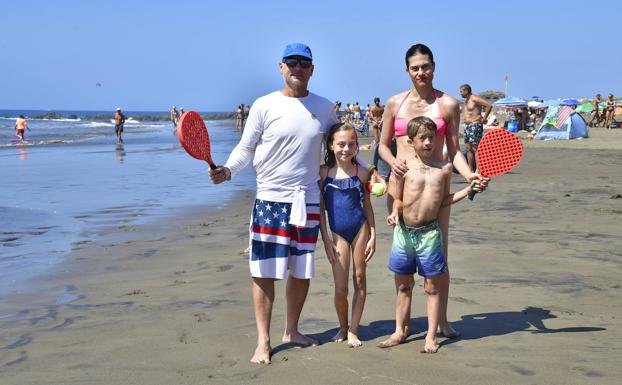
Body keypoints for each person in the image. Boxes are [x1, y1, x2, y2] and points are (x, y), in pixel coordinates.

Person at [207, 43, 381, 364]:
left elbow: (341, 149)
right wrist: (229, 170)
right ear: (281, 67)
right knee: (264, 272)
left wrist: (370, 174)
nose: (298, 68)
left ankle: (293, 329)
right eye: (292, 63)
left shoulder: (325, 108)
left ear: (312, 69)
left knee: (301, 271)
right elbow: (246, 147)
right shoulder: (264, 105)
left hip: (309, 201)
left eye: (304, 63)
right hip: (271, 199)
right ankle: (263, 341)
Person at [378, 43, 488, 341]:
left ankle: (441, 321)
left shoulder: (448, 105)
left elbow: (453, 151)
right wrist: (392, 164)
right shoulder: (394, 103)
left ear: (434, 67)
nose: (421, 72)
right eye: (415, 67)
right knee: (404, 258)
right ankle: (402, 327)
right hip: (401, 185)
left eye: (425, 66)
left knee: (439, 255)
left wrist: (470, 175)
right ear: (407, 71)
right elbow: (383, 145)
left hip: (435, 187)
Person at [381, 116, 477, 352]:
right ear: (410, 141)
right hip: (404, 233)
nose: (427, 143)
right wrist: (394, 212)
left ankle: (431, 336)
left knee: (432, 286)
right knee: (404, 285)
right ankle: (399, 331)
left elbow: (444, 201)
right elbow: (398, 199)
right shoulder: (403, 169)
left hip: (430, 234)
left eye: (431, 138)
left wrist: (467, 189)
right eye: (422, 138)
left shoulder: (443, 169)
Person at [319, 122, 376, 348]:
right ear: (331, 145)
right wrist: (325, 239)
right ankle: (342, 327)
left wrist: (373, 234)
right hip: (337, 234)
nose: (346, 148)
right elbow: (321, 210)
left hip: (360, 229)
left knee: (360, 279)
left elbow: (368, 206)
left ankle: (354, 329)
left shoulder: (361, 173)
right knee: (341, 288)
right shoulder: (323, 173)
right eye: (341, 144)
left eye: (352, 144)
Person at [459, 84, 492, 172]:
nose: (460, 93)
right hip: (467, 126)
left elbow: (489, 105)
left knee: (475, 148)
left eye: (461, 91)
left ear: (466, 90)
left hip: (475, 124)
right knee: (468, 149)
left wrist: (484, 118)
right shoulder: (466, 100)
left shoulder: (474, 98)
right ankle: (471, 170)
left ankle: (479, 169)